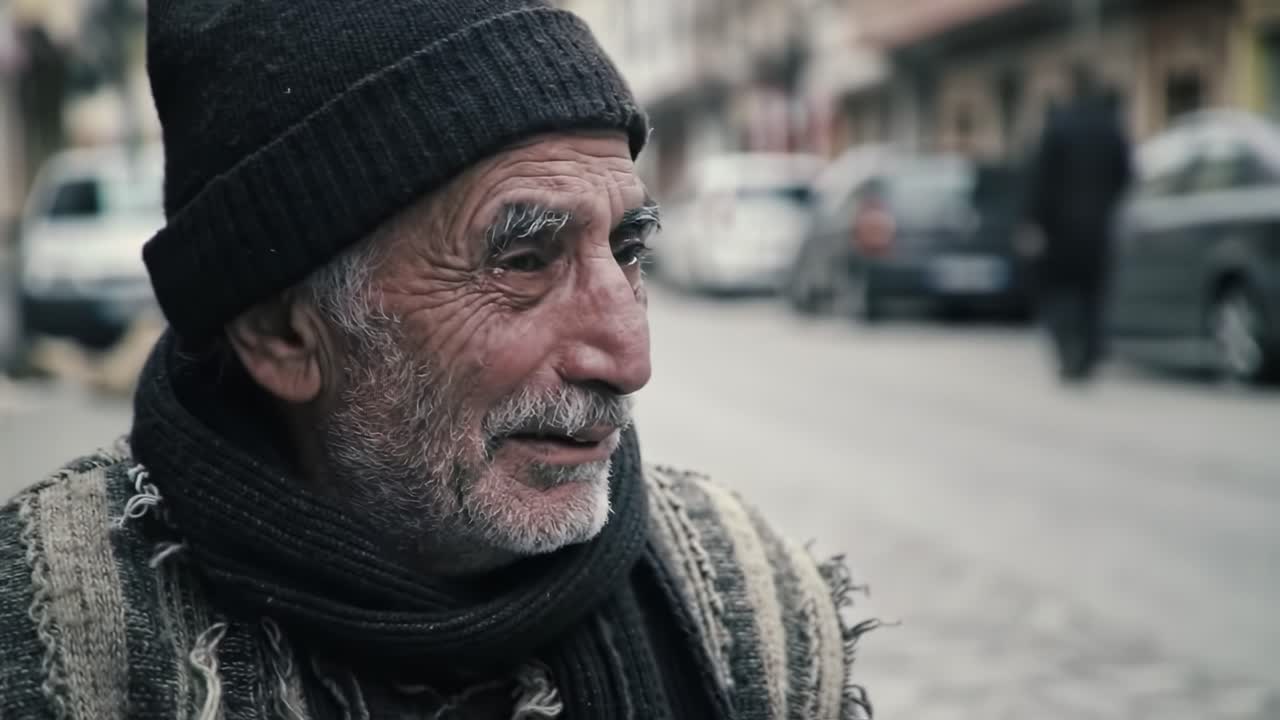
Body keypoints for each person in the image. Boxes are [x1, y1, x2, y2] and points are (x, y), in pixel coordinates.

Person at [0, 2, 873, 718]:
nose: (629, 357)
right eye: (522, 259)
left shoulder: (750, 616)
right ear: (283, 334)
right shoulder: (50, 658)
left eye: (628, 247)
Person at [1029, 64, 1133, 382]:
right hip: (1099, 226)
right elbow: (1125, 174)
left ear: (1071, 87)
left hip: (1060, 229)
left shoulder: (1057, 125)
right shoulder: (1109, 127)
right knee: (1092, 293)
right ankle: (1087, 356)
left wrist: (1034, 221)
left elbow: (1040, 179)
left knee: (1061, 293)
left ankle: (1066, 354)